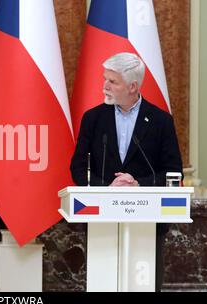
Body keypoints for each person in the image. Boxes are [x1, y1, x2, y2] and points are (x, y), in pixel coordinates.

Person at [70, 52, 183, 291]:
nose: (105, 86)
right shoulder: (93, 118)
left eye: (113, 81)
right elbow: (78, 166)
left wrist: (138, 185)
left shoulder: (161, 121)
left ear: (132, 86)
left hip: (148, 221)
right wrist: (107, 189)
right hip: (102, 218)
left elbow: (173, 173)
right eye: (105, 79)